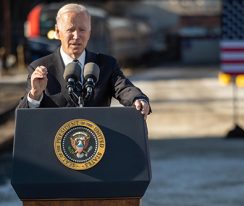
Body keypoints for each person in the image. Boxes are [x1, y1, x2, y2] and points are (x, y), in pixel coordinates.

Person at [18, 3, 150, 119]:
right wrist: (35, 94)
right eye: (70, 30)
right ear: (58, 32)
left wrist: (138, 99)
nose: (76, 36)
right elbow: (23, 117)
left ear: (89, 32)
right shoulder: (40, 68)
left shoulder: (106, 64)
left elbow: (124, 88)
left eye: (82, 30)